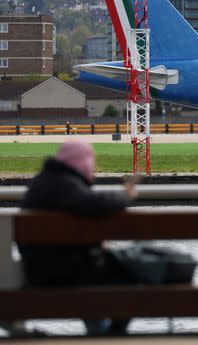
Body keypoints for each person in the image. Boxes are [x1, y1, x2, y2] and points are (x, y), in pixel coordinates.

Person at [19, 138, 138, 335]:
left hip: (41, 266)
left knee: (99, 274)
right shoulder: (65, 183)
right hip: (58, 271)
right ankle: (113, 335)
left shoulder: (47, 180)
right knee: (130, 273)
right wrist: (125, 195)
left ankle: (100, 332)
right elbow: (91, 203)